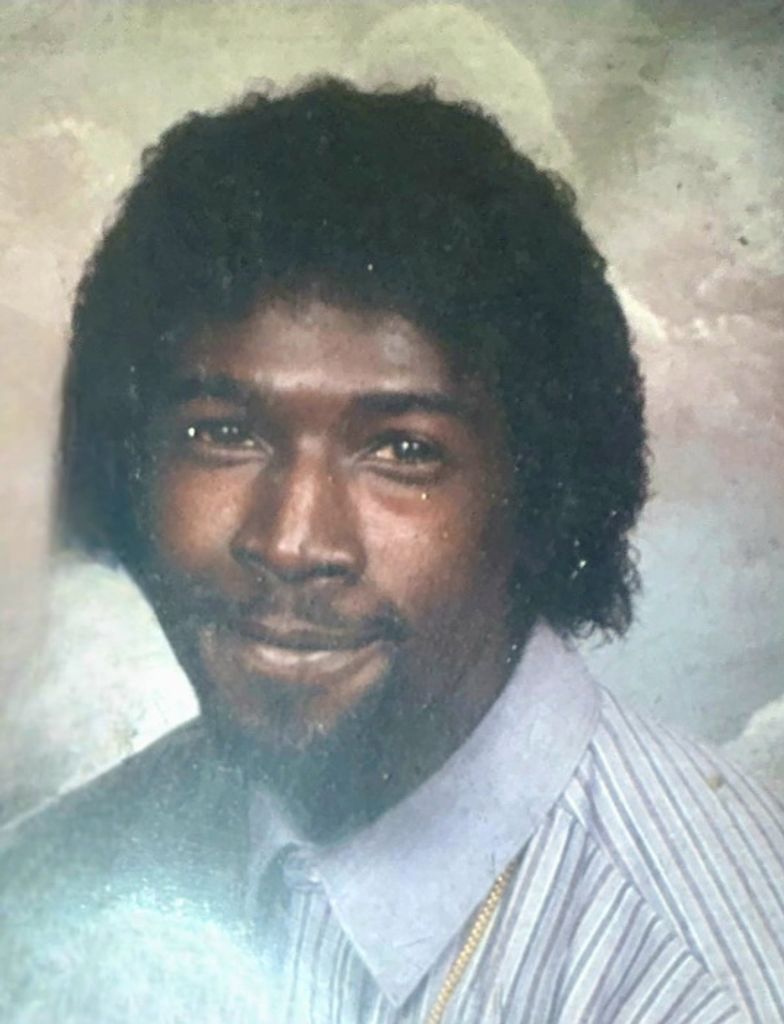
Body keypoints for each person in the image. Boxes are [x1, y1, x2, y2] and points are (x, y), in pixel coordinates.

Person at [1, 76, 783, 1024]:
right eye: (223, 434)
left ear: (541, 493)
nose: (291, 542)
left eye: (403, 452)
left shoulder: (695, 981)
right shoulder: (38, 894)